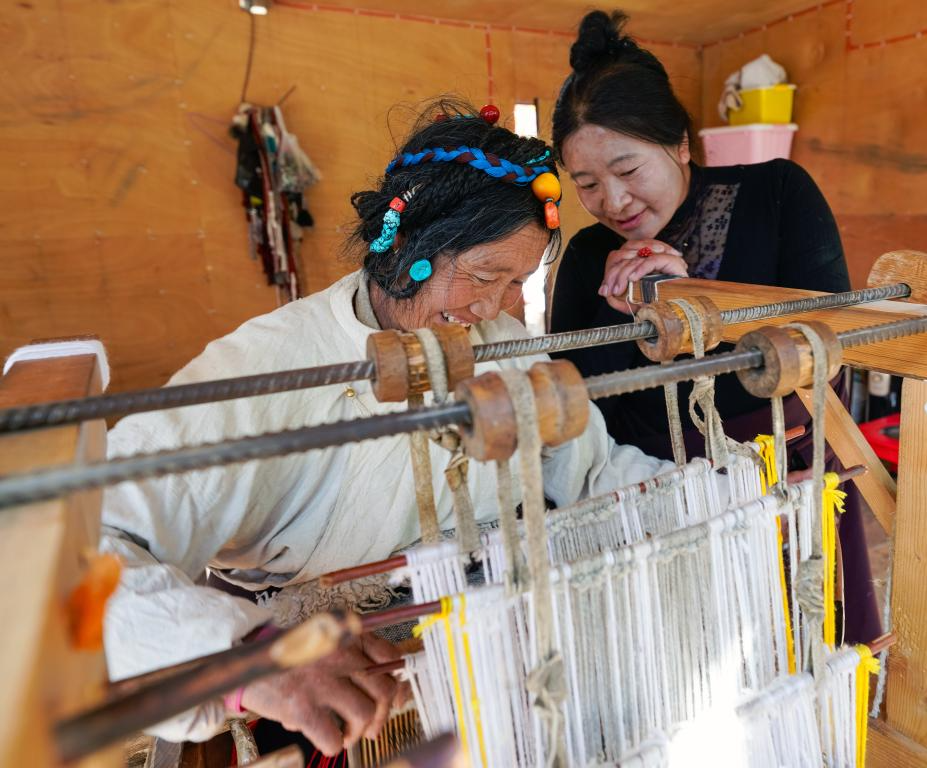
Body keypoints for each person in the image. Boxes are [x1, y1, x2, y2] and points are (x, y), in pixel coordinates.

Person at [100, 99, 676, 756]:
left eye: (516, 282)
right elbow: (90, 551)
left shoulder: (501, 343)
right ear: (403, 245)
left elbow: (592, 470)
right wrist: (252, 660)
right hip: (334, 703)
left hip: (492, 663)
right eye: (484, 275)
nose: (493, 307)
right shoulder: (263, 369)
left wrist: (719, 490)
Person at [548, 11, 881, 642]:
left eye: (628, 171)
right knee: (683, 659)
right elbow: (572, 399)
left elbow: (834, 338)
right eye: (586, 184)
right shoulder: (590, 256)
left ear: (680, 143)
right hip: (650, 492)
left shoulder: (776, 192)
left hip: (784, 472)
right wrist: (618, 313)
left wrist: (697, 301)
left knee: (802, 648)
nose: (613, 202)